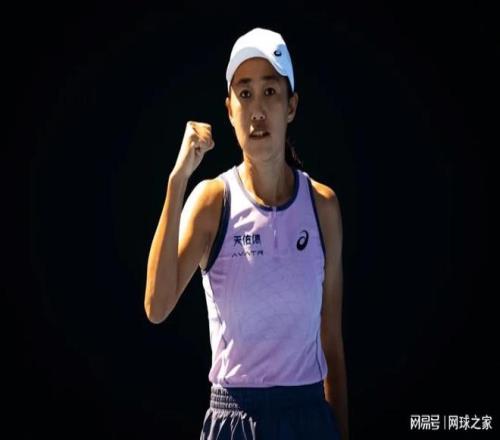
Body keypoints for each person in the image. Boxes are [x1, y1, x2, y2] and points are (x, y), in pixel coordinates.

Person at [144, 27, 349, 439]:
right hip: (234, 424)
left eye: (270, 92)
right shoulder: (211, 201)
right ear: (229, 109)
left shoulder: (323, 206)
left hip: (310, 420)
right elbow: (157, 305)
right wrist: (177, 181)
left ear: (291, 106)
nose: (257, 110)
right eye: (245, 93)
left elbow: (331, 340)